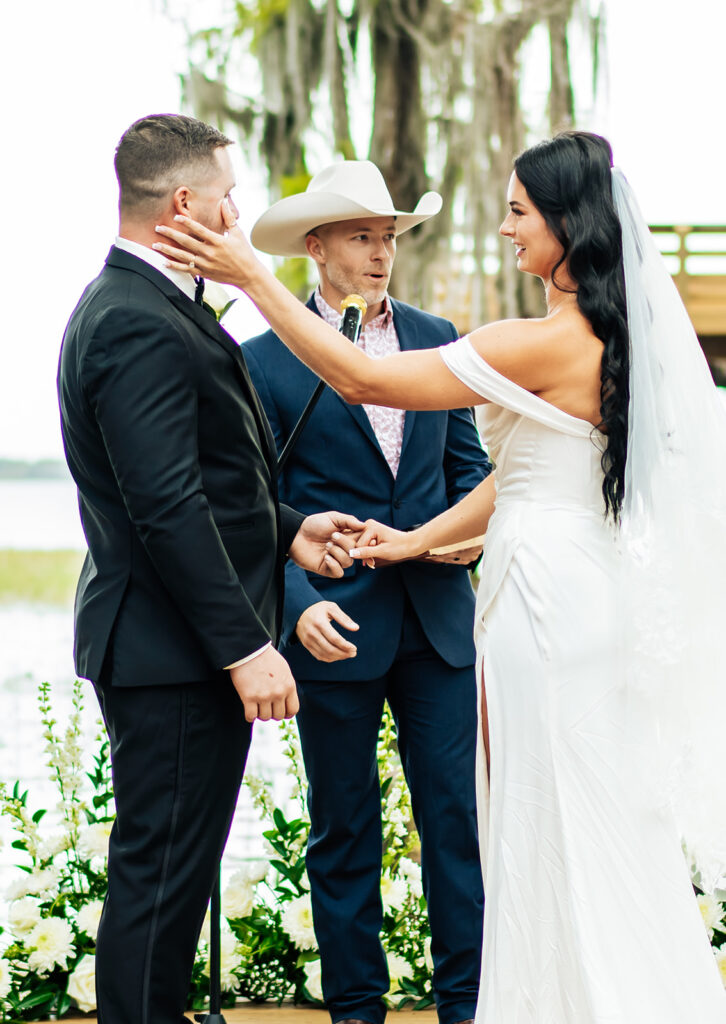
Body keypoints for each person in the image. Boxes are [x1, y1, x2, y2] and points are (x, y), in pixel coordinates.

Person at [155, 129, 726, 1021]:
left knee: (539, 814)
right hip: (574, 591)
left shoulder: (535, 341)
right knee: (570, 809)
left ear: (569, 226)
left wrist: (248, 277)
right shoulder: (602, 341)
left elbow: (362, 381)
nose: (504, 230)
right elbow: (516, 476)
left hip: (541, 607)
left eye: (517, 212)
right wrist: (414, 541)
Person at [57, 113, 363, 1024]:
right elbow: (163, 507)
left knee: (174, 877)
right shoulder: (132, 322)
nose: (240, 215)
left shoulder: (150, 308)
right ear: (184, 204)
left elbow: (201, 482)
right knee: (157, 881)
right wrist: (244, 647)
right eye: (231, 198)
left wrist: (290, 528)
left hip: (173, 647)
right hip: (175, 653)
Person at [240, 161, 490, 1024]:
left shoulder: (442, 336)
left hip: (439, 625)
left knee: (455, 822)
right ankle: (356, 1010)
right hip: (332, 629)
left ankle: (467, 1005)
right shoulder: (261, 362)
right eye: (362, 236)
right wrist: (295, 603)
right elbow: (249, 509)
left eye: (388, 236)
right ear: (316, 247)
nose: (381, 252)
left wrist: (460, 542)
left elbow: (472, 475)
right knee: (342, 830)